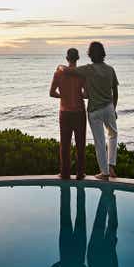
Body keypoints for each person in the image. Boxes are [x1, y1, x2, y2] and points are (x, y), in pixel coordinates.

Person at [58, 41, 119, 180]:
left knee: (99, 141)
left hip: (94, 111)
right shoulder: (110, 69)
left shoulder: (88, 69)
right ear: (103, 54)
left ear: (90, 55)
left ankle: (104, 173)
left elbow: (68, 70)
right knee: (113, 135)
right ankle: (111, 165)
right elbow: (115, 91)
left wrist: (60, 66)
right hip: (109, 107)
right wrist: (113, 109)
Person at [50, 48, 87, 180]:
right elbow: (87, 94)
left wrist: (63, 96)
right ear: (77, 58)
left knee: (64, 144)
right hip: (79, 112)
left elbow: (52, 93)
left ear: (67, 58)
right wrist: (79, 94)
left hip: (65, 112)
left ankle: (65, 173)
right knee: (80, 143)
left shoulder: (58, 73)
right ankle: (80, 173)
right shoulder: (81, 74)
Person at [49, 185, 87, 267]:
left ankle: (78, 189)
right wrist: (62, 263)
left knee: (78, 215)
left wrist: (80, 266)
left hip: (75, 255)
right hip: (68, 254)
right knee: (67, 215)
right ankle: (71, 189)